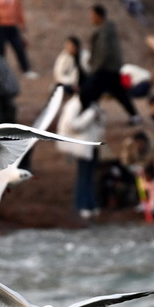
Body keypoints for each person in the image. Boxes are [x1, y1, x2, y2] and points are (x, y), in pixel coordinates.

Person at [57, 85, 105, 219]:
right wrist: (90, 115)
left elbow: (100, 124)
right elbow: (72, 125)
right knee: (83, 176)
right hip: (81, 147)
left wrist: (97, 115)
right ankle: (81, 206)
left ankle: (91, 205)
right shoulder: (74, 105)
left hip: (92, 145)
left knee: (89, 176)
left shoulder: (91, 104)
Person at [88, 4, 140, 123]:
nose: (91, 18)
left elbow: (104, 52)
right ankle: (134, 115)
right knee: (109, 92)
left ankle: (87, 115)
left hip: (107, 69)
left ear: (98, 16)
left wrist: (96, 67)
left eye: (92, 15)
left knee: (96, 91)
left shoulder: (106, 31)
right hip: (108, 69)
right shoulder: (106, 29)